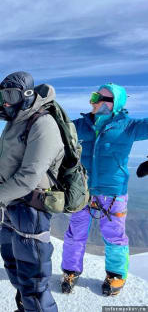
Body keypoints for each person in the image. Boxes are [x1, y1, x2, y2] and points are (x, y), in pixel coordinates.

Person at [0, 71, 64, 312]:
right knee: (14, 267)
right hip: (11, 206)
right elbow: (6, 153)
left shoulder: (43, 123)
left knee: (34, 280)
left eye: (10, 94)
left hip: (31, 209)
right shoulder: (17, 122)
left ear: (28, 95)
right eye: (2, 96)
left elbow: (29, 176)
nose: (5, 102)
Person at [61, 83, 148, 296]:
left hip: (113, 191)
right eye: (93, 96)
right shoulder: (79, 125)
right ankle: (71, 271)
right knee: (75, 232)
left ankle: (116, 275)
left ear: (113, 104)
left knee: (115, 235)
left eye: (98, 97)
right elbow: (53, 132)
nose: (93, 101)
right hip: (82, 189)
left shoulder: (128, 127)